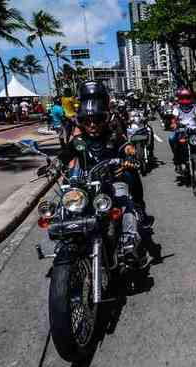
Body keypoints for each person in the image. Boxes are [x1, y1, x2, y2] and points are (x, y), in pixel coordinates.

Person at [60, 81, 153, 268]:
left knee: (127, 205)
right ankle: (66, 241)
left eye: (97, 120)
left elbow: (124, 145)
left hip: (111, 180)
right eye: (87, 121)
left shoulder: (112, 135)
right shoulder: (78, 140)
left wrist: (130, 153)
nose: (92, 125)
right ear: (81, 121)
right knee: (65, 206)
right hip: (86, 185)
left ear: (105, 117)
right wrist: (55, 166)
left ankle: (128, 242)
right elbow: (64, 157)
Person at [169, 87, 196, 174]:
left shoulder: (195, 107)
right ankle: (177, 163)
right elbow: (174, 118)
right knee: (172, 138)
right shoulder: (177, 108)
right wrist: (174, 124)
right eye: (183, 97)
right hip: (181, 131)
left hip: (194, 131)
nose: (185, 99)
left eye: (187, 97)